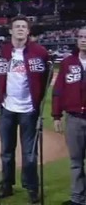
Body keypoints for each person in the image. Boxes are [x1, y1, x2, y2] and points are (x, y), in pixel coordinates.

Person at [0, 15, 51, 204]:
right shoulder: (2, 52)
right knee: (6, 152)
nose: (20, 29)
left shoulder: (39, 52)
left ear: (28, 31)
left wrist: (39, 103)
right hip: (7, 109)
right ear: (10, 31)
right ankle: (7, 185)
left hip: (29, 110)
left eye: (23, 27)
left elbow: (47, 77)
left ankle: (32, 188)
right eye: (16, 26)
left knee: (29, 153)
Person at [52, 27, 86, 205]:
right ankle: (77, 199)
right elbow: (58, 90)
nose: (83, 40)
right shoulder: (67, 63)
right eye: (80, 37)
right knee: (76, 162)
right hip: (73, 119)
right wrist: (56, 116)